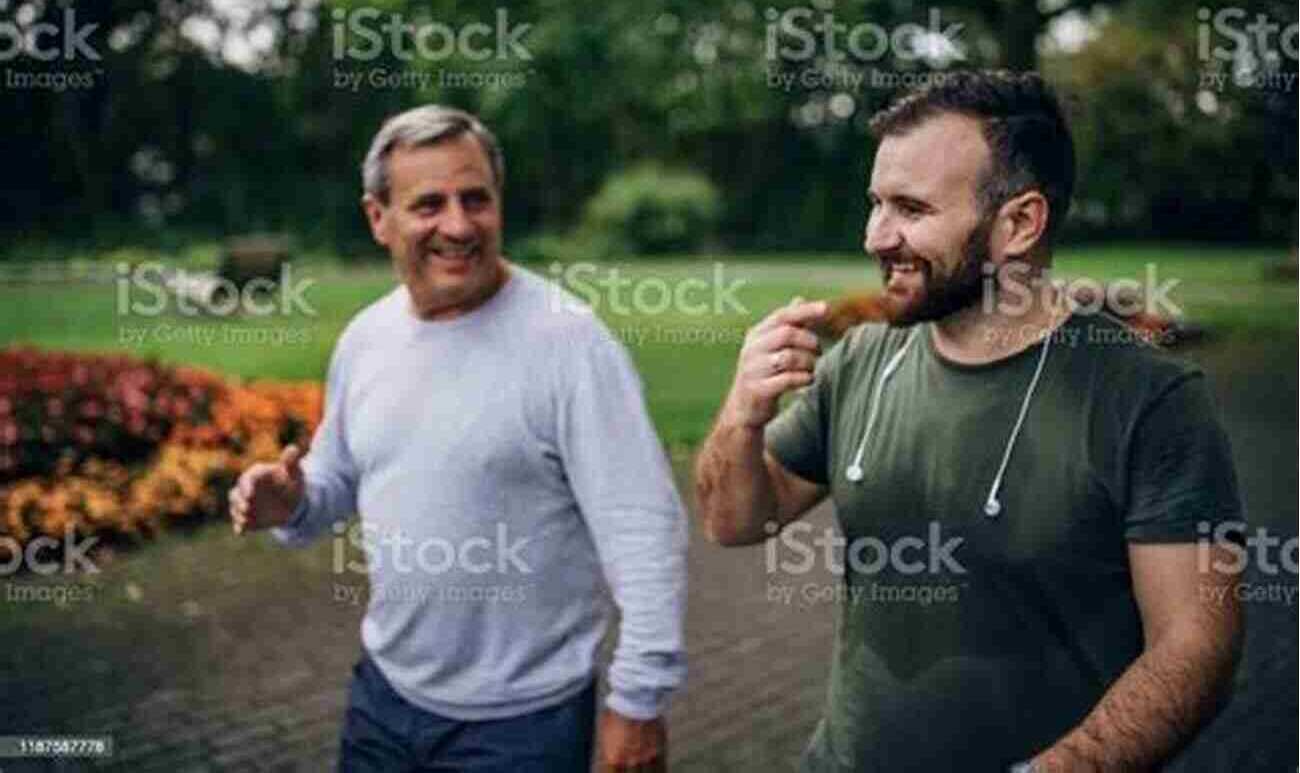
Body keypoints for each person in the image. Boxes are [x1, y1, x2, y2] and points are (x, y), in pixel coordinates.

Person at [694, 71, 1245, 772]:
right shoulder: (863, 359)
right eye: (875, 203)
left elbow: (1198, 644)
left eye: (910, 208)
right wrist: (740, 416)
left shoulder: (1151, 398)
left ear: (1019, 223)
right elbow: (735, 519)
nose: (874, 236)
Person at [228, 104, 686, 773]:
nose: (459, 225)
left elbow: (643, 527)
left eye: (476, 199)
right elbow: (337, 480)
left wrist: (638, 701)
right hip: (384, 700)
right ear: (377, 217)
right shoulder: (366, 338)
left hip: (524, 726)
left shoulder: (570, 343)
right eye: (429, 204)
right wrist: (291, 503)